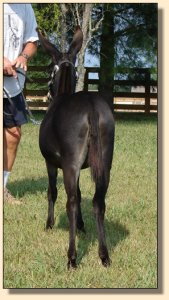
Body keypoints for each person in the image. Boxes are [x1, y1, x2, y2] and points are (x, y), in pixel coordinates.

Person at [3, 4, 39, 203]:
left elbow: (32, 41)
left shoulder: (25, 6)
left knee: (13, 134)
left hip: (12, 86)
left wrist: (23, 56)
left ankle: (2, 187)